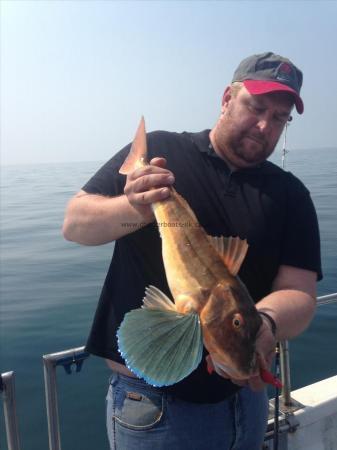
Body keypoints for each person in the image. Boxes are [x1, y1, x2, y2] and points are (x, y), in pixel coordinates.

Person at [63, 52, 322, 450]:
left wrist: (263, 325)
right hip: (154, 406)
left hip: (247, 401)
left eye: (280, 117)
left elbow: (300, 293)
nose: (265, 125)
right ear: (226, 99)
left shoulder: (291, 195)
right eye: (256, 107)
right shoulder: (162, 152)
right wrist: (135, 206)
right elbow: (76, 225)